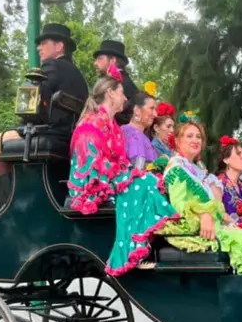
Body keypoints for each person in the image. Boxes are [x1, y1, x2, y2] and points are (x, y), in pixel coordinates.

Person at [67, 64, 179, 276]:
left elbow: (119, 161)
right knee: (139, 185)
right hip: (90, 184)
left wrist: (127, 172)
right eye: (121, 93)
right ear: (110, 93)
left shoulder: (112, 125)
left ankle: (145, 245)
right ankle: (129, 253)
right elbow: (89, 165)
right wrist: (123, 175)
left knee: (148, 181)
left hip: (108, 178)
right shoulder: (91, 124)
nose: (125, 99)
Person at [157, 113, 242, 275]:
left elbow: (214, 205)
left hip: (216, 225)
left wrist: (228, 219)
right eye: (190, 136)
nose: (196, 140)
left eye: (198, 136)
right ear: (177, 141)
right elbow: (178, 204)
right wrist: (203, 215)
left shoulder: (196, 170)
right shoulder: (176, 168)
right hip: (199, 229)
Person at [0, 24, 89, 177]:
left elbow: (34, 104)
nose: (39, 48)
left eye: (44, 43)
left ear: (59, 46)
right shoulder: (78, 76)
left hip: (49, 133)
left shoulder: (51, 65)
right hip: (70, 136)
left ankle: (9, 193)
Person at [93, 40, 138, 125]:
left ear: (112, 60)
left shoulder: (119, 84)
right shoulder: (126, 82)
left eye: (100, 58)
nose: (95, 63)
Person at [121, 92, 158, 165]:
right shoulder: (134, 135)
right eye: (151, 108)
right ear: (137, 110)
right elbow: (138, 169)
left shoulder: (135, 133)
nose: (155, 114)